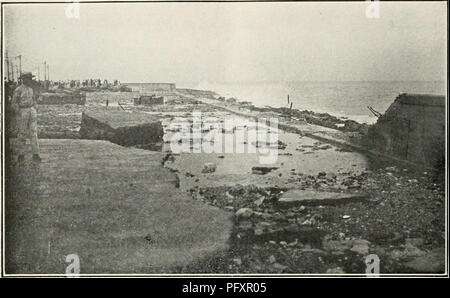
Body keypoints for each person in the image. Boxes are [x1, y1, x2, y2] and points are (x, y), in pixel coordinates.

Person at [11, 72, 41, 163]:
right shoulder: (18, 90)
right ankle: (21, 154)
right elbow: (14, 103)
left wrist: (35, 108)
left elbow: (34, 99)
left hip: (31, 110)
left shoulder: (31, 89)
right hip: (23, 110)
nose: (29, 80)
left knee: (33, 132)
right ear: (23, 79)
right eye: (27, 78)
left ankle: (36, 154)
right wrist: (18, 112)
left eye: (30, 78)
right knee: (22, 133)